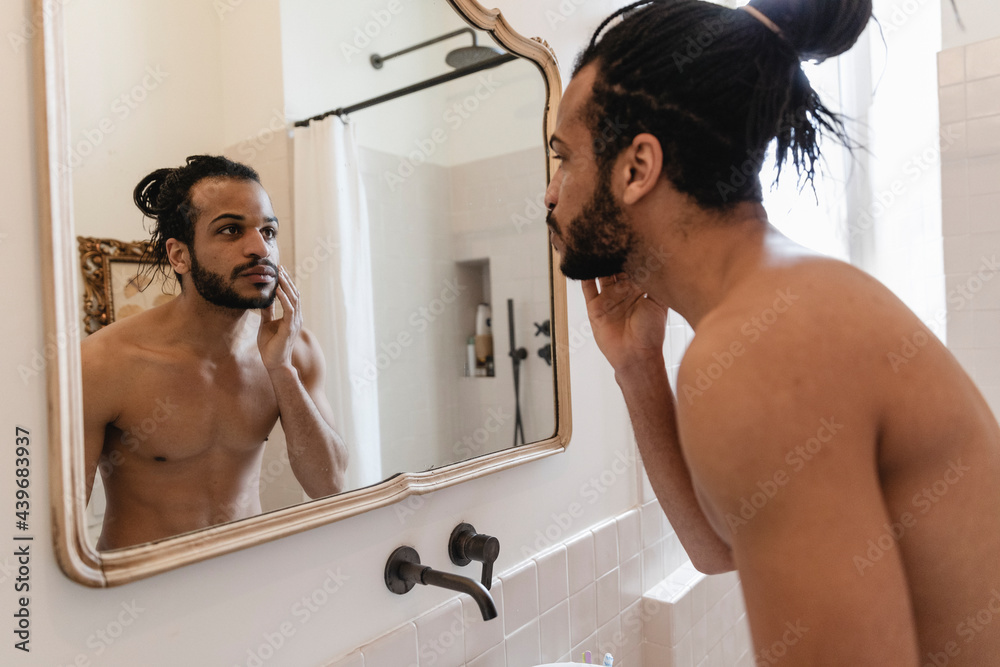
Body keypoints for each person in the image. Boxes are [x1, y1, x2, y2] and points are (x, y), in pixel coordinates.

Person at [546, 0, 1000, 663]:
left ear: (637, 168)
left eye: (564, 157)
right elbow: (716, 548)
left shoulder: (762, 345)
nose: (551, 193)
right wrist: (637, 365)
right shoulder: (773, 302)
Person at [82, 155, 348, 550]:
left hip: (246, 581)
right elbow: (53, 526)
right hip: (142, 594)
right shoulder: (103, 362)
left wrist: (281, 371)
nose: (260, 249)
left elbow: (330, 486)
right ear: (179, 255)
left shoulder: (296, 350)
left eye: (269, 232)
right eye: (230, 230)